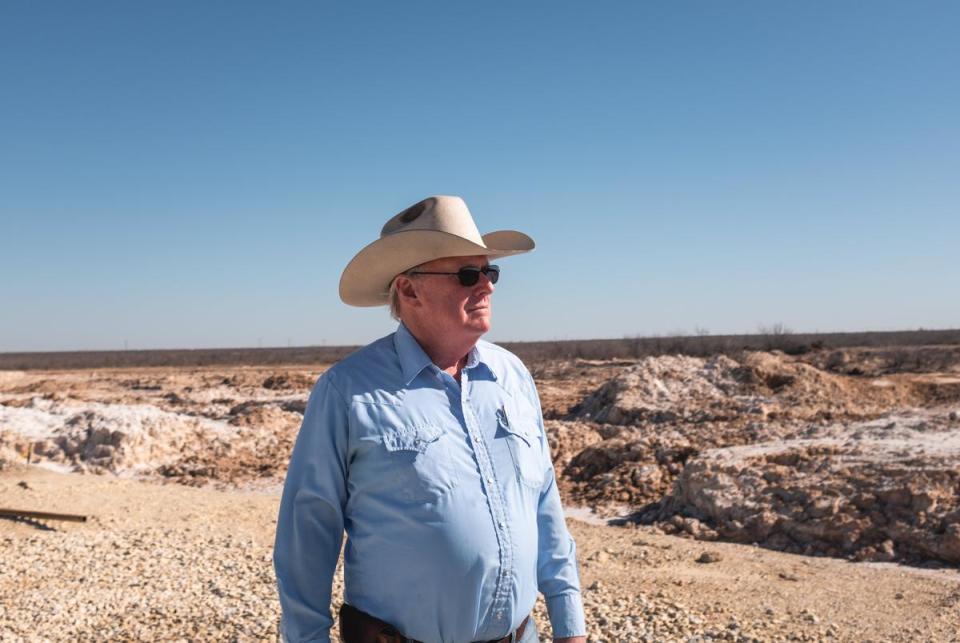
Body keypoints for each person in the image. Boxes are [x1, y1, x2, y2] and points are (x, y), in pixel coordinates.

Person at [274, 196, 587, 643]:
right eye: (467, 275)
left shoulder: (512, 375)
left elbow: (544, 505)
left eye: (489, 272)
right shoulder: (347, 391)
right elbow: (306, 537)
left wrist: (570, 625)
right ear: (409, 290)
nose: (487, 287)